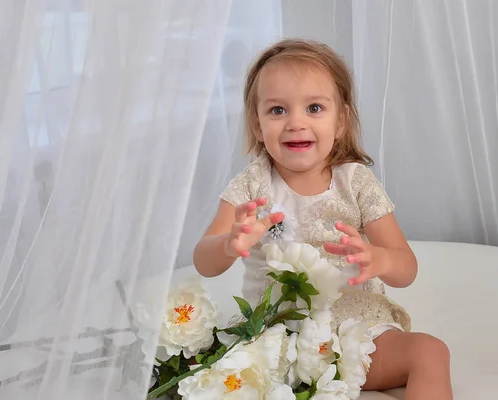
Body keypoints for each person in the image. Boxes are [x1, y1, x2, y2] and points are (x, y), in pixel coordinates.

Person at [193, 38, 452, 399]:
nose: (295, 123)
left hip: (355, 336)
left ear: (341, 120)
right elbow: (204, 262)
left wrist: (380, 259)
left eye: (314, 108)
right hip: (277, 340)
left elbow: (406, 267)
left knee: (430, 351)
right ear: (256, 124)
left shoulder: (356, 182)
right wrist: (227, 242)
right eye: (277, 111)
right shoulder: (251, 185)